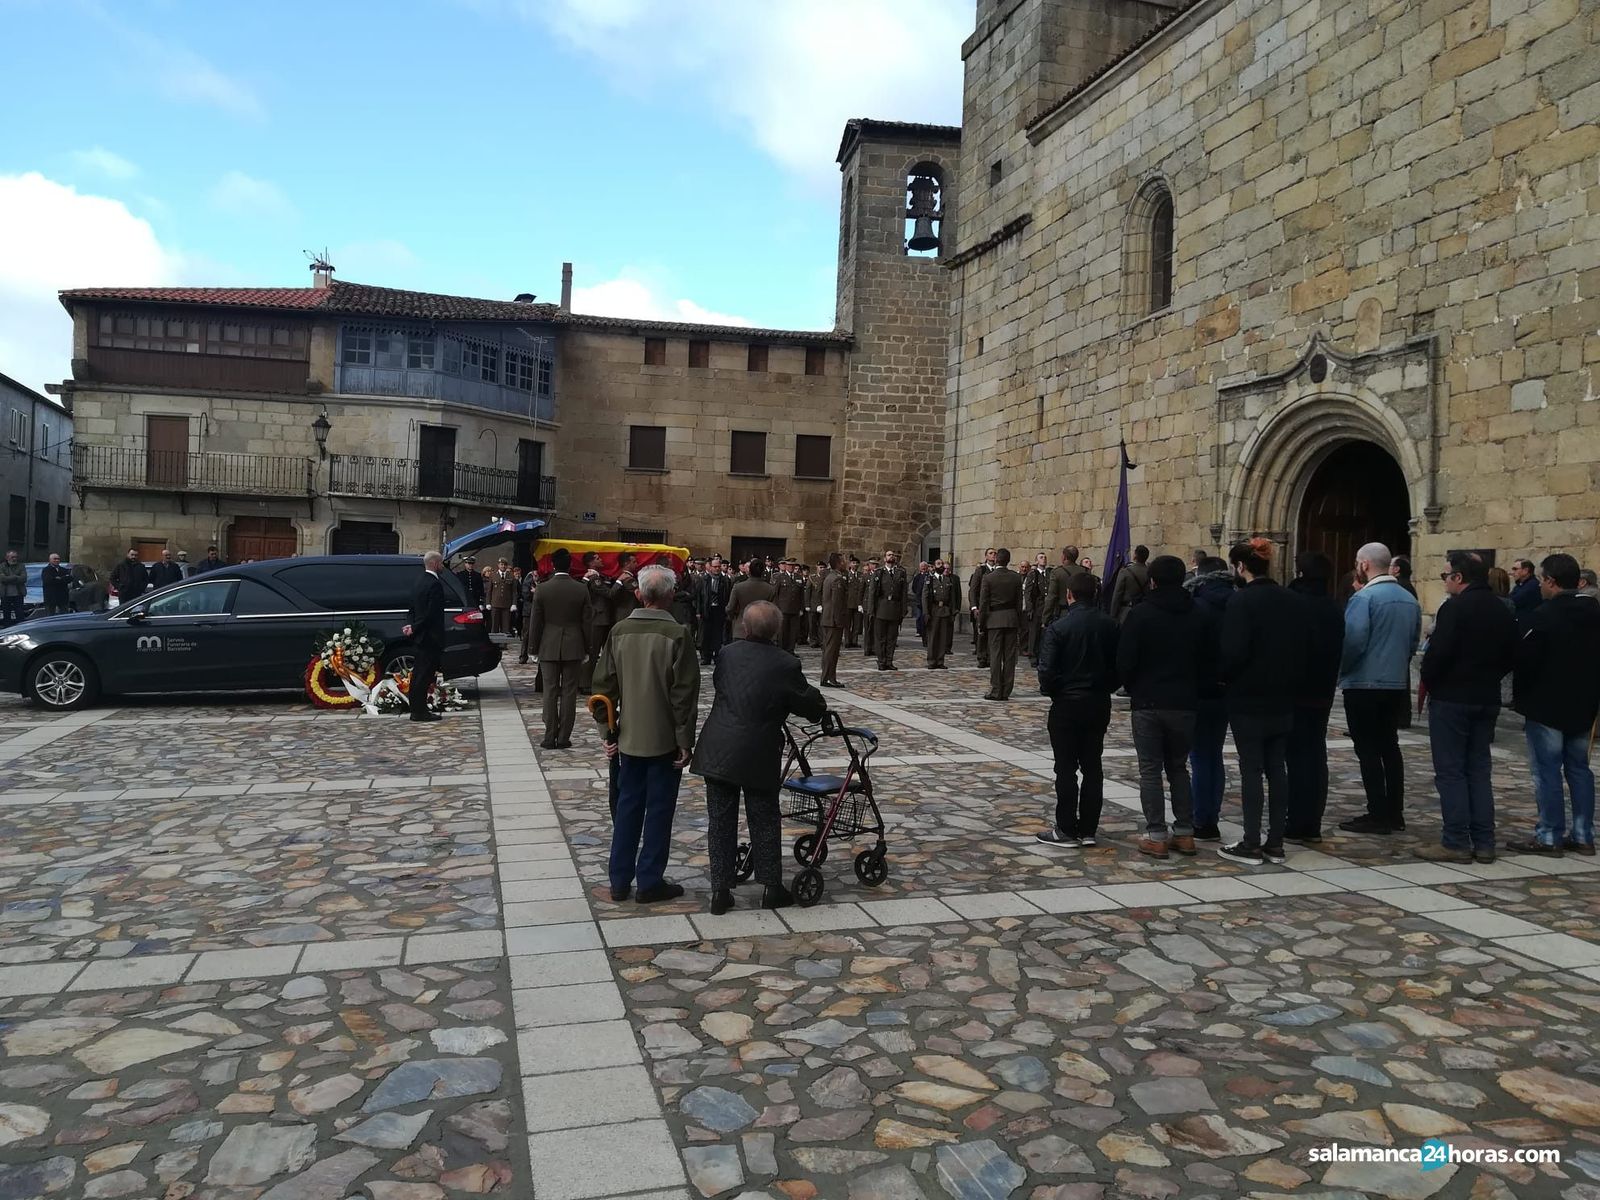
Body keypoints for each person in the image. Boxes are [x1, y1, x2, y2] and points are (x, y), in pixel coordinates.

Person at [694, 600, 825, 914]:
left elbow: (724, 685)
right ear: (776, 630)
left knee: (720, 821)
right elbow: (807, 703)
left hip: (719, 748)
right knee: (764, 818)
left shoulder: (727, 654)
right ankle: (771, 887)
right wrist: (817, 706)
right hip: (758, 751)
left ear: (745, 627)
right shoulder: (785, 663)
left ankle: (720, 891)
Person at [595, 565, 701, 904]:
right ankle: (650, 880)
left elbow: (603, 689)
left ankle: (619, 879)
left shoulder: (619, 631)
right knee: (658, 811)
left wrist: (607, 732)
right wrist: (684, 740)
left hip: (628, 738)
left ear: (639, 594)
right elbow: (684, 694)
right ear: (671, 595)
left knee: (627, 807)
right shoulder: (678, 635)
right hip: (664, 739)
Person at [1417, 551, 1516, 862]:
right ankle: (1484, 841)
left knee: (1451, 771)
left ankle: (1456, 840)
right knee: (1479, 770)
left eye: (1446, 575)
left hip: (1452, 697)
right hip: (1486, 696)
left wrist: (1431, 678)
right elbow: (1511, 653)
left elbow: (1439, 653)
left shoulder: (1455, 608)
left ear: (1458, 577)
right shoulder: (1500, 608)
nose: (1444, 581)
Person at [1218, 538, 1305, 865]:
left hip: (1248, 696)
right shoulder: (1292, 600)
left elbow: (1233, 651)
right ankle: (1276, 841)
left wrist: (1224, 677)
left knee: (1252, 768)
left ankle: (1251, 842)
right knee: (1277, 767)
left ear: (1241, 567)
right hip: (1283, 695)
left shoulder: (1241, 601)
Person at [1508, 553, 1600, 856]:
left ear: (1550, 581)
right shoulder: (1594, 614)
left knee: (1547, 771)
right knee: (1579, 769)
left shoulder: (1544, 616)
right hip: (1583, 703)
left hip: (1545, 703)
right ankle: (1583, 834)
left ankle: (1549, 834)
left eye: (1542, 580)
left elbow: (1524, 659)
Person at [1118, 555, 1204, 858]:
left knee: (1151, 770)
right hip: (1185, 702)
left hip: (1149, 701)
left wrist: (1133, 685)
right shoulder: (1197, 614)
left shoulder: (1141, 614)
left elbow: (1125, 659)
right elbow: (1208, 657)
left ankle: (1156, 834)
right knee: (1179, 767)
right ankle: (1185, 832)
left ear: (1152, 581)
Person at [1337, 542, 1422, 836]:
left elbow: (1353, 641)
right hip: (1395, 683)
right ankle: (1394, 811)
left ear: (1364, 565)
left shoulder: (1365, 598)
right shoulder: (1409, 599)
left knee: (1368, 750)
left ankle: (1377, 812)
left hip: (1364, 683)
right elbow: (1412, 643)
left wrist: (1343, 670)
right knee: (1390, 747)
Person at [1035, 573, 1119, 848]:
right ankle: (1089, 828)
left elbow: (1046, 670)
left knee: (1066, 768)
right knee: (1093, 766)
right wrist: (1105, 686)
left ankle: (1066, 828)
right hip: (1098, 702)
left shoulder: (1059, 627)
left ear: (1069, 595)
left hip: (1067, 703)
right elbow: (1120, 666)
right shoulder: (1111, 625)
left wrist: (1054, 690)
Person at [1284, 553, 1345, 844]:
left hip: (1297, 690)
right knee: (1316, 754)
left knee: (1297, 758)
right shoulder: (1333, 606)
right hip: (1323, 689)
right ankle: (1312, 822)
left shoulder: (1295, 605)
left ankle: (1297, 821)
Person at [1184, 556, 1235, 840]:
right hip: (1228, 687)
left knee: (1201, 755)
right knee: (1214, 753)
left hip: (1200, 687)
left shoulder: (1197, 605)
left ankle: (1202, 818)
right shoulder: (1238, 602)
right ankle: (1210, 814)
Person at [528, 548, 591, 750]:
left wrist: (532, 648)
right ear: (570, 565)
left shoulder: (542, 589)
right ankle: (564, 737)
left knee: (550, 691)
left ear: (553, 565)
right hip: (574, 644)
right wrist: (588, 648)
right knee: (569, 692)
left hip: (548, 644)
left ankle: (549, 736)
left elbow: (535, 622)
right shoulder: (581, 589)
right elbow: (587, 622)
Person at [403, 551, 448, 723]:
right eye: (441, 563)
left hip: (419, 636)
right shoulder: (434, 584)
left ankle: (417, 709)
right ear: (435, 564)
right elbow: (431, 613)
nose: (443, 566)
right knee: (423, 676)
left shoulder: (419, 581)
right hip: (430, 637)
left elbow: (412, 609)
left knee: (418, 674)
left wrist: (411, 625)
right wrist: (414, 627)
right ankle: (419, 712)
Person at [979, 547, 1023, 700]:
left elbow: (983, 603)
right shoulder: (1016, 577)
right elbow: (1019, 602)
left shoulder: (988, 578)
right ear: (1008, 561)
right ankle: (1006, 690)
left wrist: (981, 623)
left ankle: (996, 689)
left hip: (994, 619)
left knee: (996, 655)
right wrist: (1018, 621)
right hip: (1011, 618)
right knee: (1010, 656)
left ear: (997, 559)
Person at [923, 558, 961, 669]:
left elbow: (952, 597)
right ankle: (931, 661)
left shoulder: (947, 580)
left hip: (945, 611)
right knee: (933, 637)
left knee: (943, 637)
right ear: (934, 566)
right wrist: (926, 612)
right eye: (938, 564)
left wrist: (953, 611)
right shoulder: (930, 580)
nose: (941, 566)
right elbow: (925, 597)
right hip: (934, 610)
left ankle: (940, 660)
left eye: (942, 564)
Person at [875, 550, 909, 670]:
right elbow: (873, 592)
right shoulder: (879, 572)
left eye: (893, 555)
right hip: (882, 608)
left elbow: (904, 592)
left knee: (892, 638)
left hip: (895, 607)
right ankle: (881, 661)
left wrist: (904, 609)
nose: (891, 557)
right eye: (889, 555)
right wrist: (872, 610)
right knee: (881, 638)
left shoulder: (900, 573)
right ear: (885, 558)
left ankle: (889, 661)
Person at [695, 555, 730, 665]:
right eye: (715, 567)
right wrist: (698, 611)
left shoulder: (725, 580)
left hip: (719, 610)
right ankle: (706, 656)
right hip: (707, 609)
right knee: (706, 634)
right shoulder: (704, 579)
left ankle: (717, 655)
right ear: (710, 567)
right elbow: (699, 596)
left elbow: (727, 596)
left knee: (717, 634)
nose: (717, 569)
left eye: (719, 566)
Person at [819, 552, 848, 687]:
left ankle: (828, 676)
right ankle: (828, 678)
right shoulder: (837, 579)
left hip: (828, 618)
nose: (845, 563)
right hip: (833, 620)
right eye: (843, 561)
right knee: (832, 650)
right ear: (838, 563)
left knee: (828, 649)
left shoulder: (829, 577)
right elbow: (837, 603)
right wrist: (839, 621)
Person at [729, 558, 776, 640]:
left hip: (741, 629)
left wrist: (734, 617)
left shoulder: (738, 587)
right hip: (762, 630)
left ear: (749, 571)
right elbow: (773, 611)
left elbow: (730, 608)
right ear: (763, 571)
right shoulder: (770, 589)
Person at [968, 548, 996, 666]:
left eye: (995, 553)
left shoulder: (998, 570)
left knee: (992, 633)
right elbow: (973, 590)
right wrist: (974, 607)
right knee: (982, 632)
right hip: (982, 606)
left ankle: (990, 657)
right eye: (991, 553)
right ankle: (982, 657)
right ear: (986, 556)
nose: (993, 555)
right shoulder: (981, 570)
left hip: (994, 607)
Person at [1110, 544, 1151, 623]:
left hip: (1128, 611)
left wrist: (1113, 615)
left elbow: (1117, 594)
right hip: (1145, 611)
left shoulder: (1125, 572)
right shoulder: (1150, 572)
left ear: (1135, 555)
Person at [1042, 545, 1082, 627]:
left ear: (1064, 557)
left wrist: (1045, 618)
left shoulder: (1057, 573)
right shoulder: (1084, 571)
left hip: (1064, 613)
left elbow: (1051, 597)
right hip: (1082, 612)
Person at [774, 560, 805, 652]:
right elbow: (776, 593)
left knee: (793, 631)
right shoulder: (780, 577)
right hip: (783, 608)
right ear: (786, 566)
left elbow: (801, 595)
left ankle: (791, 650)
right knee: (783, 631)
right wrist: (776, 607)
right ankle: (782, 650)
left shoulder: (798, 577)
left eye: (792, 565)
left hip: (795, 609)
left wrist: (801, 608)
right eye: (789, 565)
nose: (791, 567)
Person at [1023, 552, 1049, 661]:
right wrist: (1030, 608)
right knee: (1034, 632)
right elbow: (1028, 592)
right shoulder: (1033, 574)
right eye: (1041, 557)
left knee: (1044, 633)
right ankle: (1033, 655)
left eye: (1045, 557)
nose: (1044, 559)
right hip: (1037, 606)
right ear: (1036, 561)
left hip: (1046, 606)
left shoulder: (1049, 573)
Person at [486, 558, 516, 635]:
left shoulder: (511, 575)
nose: (503, 566)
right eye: (501, 564)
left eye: (505, 565)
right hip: (495, 604)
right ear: (498, 565)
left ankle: (504, 642)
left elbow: (514, 592)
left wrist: (514, 604)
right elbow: (489, 591)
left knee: (506, 627)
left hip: (506, 604)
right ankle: (495, 641)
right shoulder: (493, 575)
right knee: (494, 626)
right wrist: (488, 603)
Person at [1510, 558, 1542, 622]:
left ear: (1525, 571)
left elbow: (1512, 602)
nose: (1512, 572)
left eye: (1515, 569)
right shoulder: (1520, 584)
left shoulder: (1532, 585)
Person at [0, 550, 26, 625]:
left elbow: (24, 578)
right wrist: (15, 577)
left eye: (16, 557)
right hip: (5, 594)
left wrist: (8, 578)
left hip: (18, 594)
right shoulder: (2, 566)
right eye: (12, 557)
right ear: (7, 557)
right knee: (6, 614)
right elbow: (2, 579)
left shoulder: (21, 566)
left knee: (20, 615)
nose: (14, 559)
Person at [862, 558, 881, 657]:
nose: (875, 566)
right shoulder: (866, 576)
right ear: (869, 565)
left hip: (877, 605)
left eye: (876, 564)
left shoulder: (879, 575)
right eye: (873, 564)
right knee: (867, 628)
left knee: (875, 628)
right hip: (867, 605)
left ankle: (874, 647)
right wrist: (860, 604)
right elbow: (861, 591)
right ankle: (867, 648)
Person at [845, 557, 864, 647]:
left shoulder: (861, 575)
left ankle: (854, 641)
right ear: (850, 564)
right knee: (847, 624)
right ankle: (847, 641)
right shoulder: (846, 575)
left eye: (856, 563)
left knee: (856, 624)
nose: (855, 565)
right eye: (853, 563)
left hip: (857, 603)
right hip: (848, 603)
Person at [912, 560, 932, 644]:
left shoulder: (929, 576)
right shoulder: (917, 577)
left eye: (924, 566)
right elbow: (914, 587)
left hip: (926, 601)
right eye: (922, 566)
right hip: (919, 600)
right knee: (919, 617)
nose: (923, 568)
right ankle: (919, 630)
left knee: (925, 617)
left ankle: (925, 632)